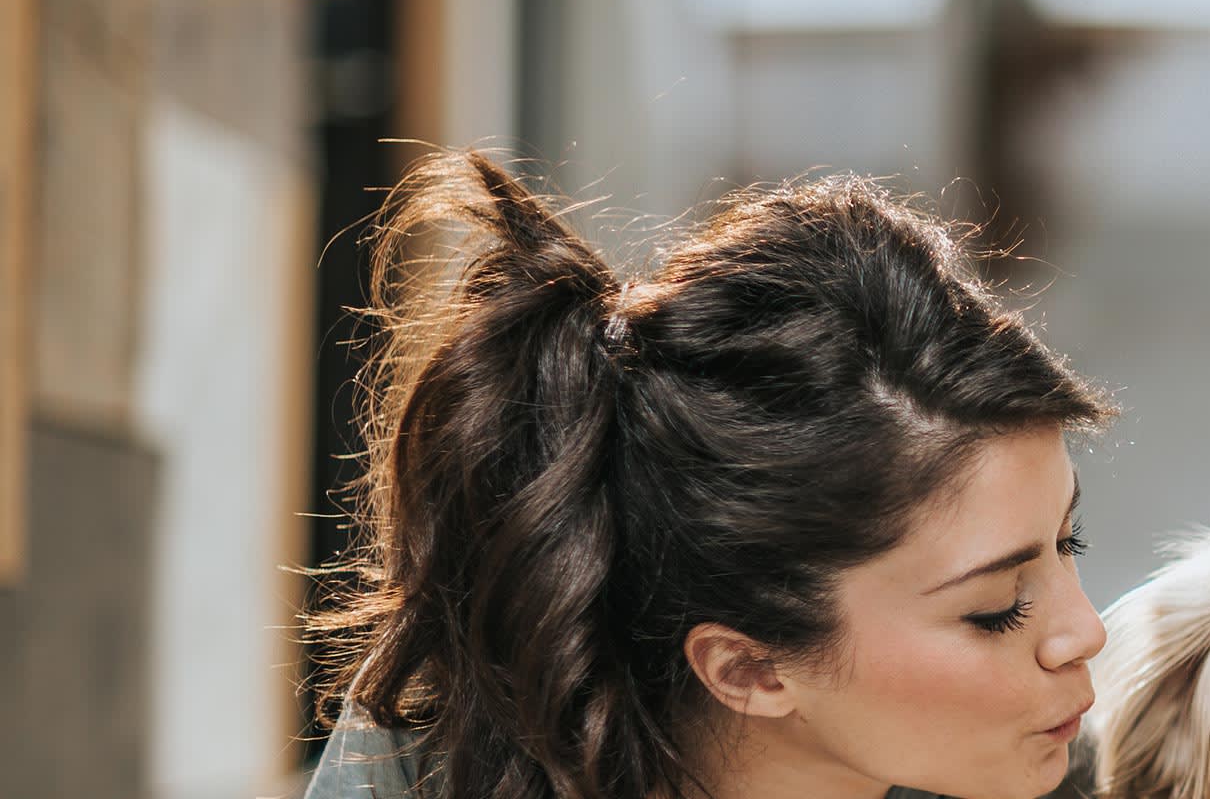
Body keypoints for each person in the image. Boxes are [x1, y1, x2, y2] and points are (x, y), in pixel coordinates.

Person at [299, 152, 1113, 799]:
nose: (1087, 632)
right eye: (997, 611)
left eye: (1066, 538)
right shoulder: (415, 771)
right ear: (748, 669)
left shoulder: (1098, 775)